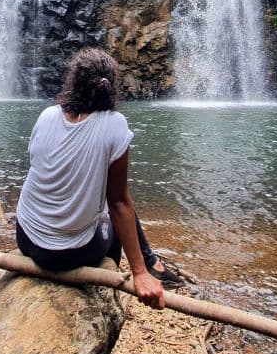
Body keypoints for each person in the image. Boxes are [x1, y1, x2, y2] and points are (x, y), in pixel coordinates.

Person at [15, 48, 182, 309]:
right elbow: (118, 202)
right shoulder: (115, 125)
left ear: (73, 82)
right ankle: (119, 287)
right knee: (118, 203)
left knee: (110, 198)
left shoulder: (47, 115)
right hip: (70, 254)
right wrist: (138, 272)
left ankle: (150, 264)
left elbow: (40, 169)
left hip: (26, 239)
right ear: (111, 87)